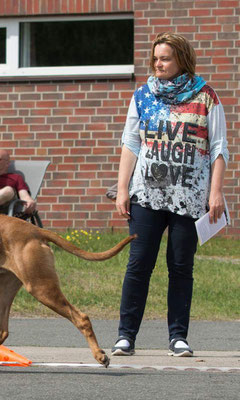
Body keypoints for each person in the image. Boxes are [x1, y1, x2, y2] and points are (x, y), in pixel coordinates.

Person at [111, 32, 228, 358]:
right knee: (139, 265)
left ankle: (178, 337)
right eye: (156, 58)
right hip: (147, 195)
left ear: (182, 60)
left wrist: (215, 192)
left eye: (165, 58)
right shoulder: (143, 95)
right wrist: (122, 189)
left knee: (180, 267)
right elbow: (131, 143)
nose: (158, 64)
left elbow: (219, 148)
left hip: (189, 198)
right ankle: (126, 336)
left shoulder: (206, 97)